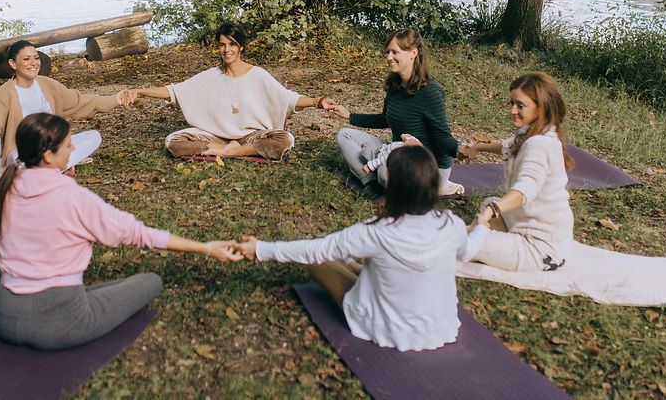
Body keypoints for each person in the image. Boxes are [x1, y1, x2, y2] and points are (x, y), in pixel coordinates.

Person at [0, 113, 241, 350]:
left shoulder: (0, 190)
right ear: (48, 156)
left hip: (3, 317)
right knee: (150, 281)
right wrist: (206, 248)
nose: (73, 149)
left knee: (100, 291)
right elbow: (137, 233)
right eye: (68, 145)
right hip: (58, 326)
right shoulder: (72, 197)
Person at [237, 146, 489, 351]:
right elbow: (467, 251)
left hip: (382, 326)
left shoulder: (376, 232)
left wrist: (260, 248)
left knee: (319, 262)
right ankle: (355, 267)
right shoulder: (452, 224)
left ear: (394, 187)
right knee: (357, 259)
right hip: (439, 327)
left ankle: (354, 268)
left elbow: (316, 250)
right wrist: (481, 227)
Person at [126, 23, 329, 159]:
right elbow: (173, 91)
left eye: (232, 44)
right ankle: (224, 149)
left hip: (251, 136)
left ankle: (232, 152)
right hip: (216, 137)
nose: (227, 50)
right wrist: (140, 91)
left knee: (286, 138)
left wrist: (318, 101)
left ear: (241, 47)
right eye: (222, 45)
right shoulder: (211, 76)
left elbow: (289, 99)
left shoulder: (258, 75)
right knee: (173, 141)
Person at [456, 72, 575, 272]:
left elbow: (524, 189)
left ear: (541, 107)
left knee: (463, 243)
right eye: (512, 103)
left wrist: (491, 211)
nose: (513, 111)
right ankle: (499, 242)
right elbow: (508, 146)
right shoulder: (536, 132)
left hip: (540, 247)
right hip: (532, 227)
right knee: (489, 204)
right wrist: (477, 148)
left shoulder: (539, 145)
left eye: (520, 105)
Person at [326, 28, 464, 196]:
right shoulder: (395, 85)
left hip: (428, 165)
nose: (389, 57)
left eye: (394, 52)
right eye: (388, 52)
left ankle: (437, 185)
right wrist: (349, 115)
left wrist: (459, 148)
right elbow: (385, 119)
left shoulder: (431, 92)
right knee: (344, 135)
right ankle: (369, 181)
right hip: (397, 152)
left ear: (413, 53)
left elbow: (443, 137)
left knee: (384, 175)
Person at [0, 40, 131, 167]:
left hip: (52, 148)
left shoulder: (48, 85)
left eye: (36, 58)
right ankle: (55, 167)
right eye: (26, 59)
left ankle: (49, 167)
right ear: (13, 64)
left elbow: (81, 102)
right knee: (17, 160)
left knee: (94, 136)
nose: (34, 63)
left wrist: (114, 99)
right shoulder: (5, 93)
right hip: (22, 152)